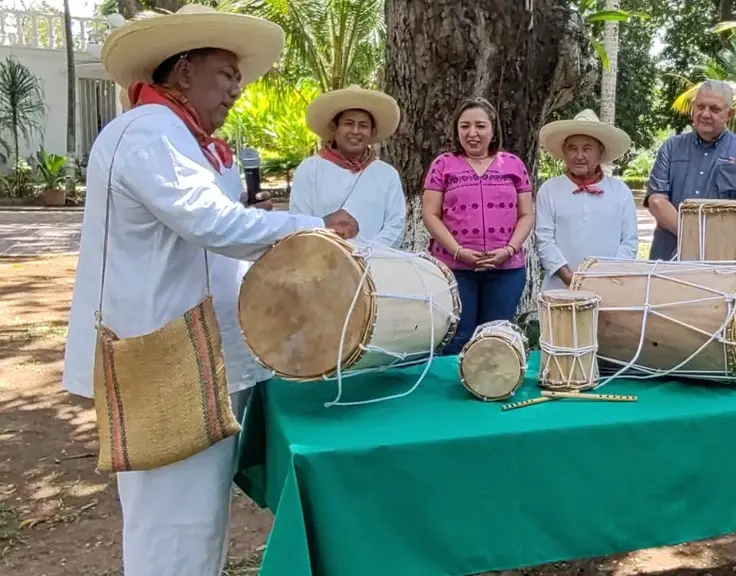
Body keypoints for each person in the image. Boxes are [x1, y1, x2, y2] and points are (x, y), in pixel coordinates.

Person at [61, 6, 356, 575]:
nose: (236, 91)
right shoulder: (149, 132)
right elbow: (211, 224)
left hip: (193, 354)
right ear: (185, 71)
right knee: (171, 524)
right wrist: (306, 225)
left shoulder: (184, 139)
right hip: (159, 355)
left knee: (195, 520)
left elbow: (209, 228)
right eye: (226, 74)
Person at [422, 97, 535, 354]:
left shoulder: (514, 165)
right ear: (456, 130)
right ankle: (451, 393)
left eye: (480, 126)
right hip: (455, 269)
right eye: (465, 126)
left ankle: (493, 388)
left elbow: (527, 214)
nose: (472, 133)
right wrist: (459, 252)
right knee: (456, 337)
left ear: (493, 129)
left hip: (506, 270)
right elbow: (430, 214)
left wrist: (508, 250)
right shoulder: (443, 165)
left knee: (495, 337)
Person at [645, 79, 736, 260]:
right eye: (700, 106)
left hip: (721, 262)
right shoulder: (672, 147)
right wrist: (694, 237)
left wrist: (707, 243)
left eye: (714, 109)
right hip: (668, 259)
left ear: (730, 114)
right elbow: (657, 201)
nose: (705, 114)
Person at [535, 109, 638, 291]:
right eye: (573, 148)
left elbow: (629, 241)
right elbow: (544, 240)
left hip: (610, 289)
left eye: (587, 148)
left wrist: (607, 277)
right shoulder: (549, 190)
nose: (579, 155)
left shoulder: (620, 192)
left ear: (601, 152)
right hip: (559, 289)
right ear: (564, 152)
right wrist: (570, 279)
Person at [290, 85, 406, 247]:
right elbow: (300, 220)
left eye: (363, 125)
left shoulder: (387, 175)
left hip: (376, 263)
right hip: (320, 263)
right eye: (348, 124)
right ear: (334, 128)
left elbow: (395, 226)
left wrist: (365, 256)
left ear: (372, 132)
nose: (355, 131)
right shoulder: (309, 170)